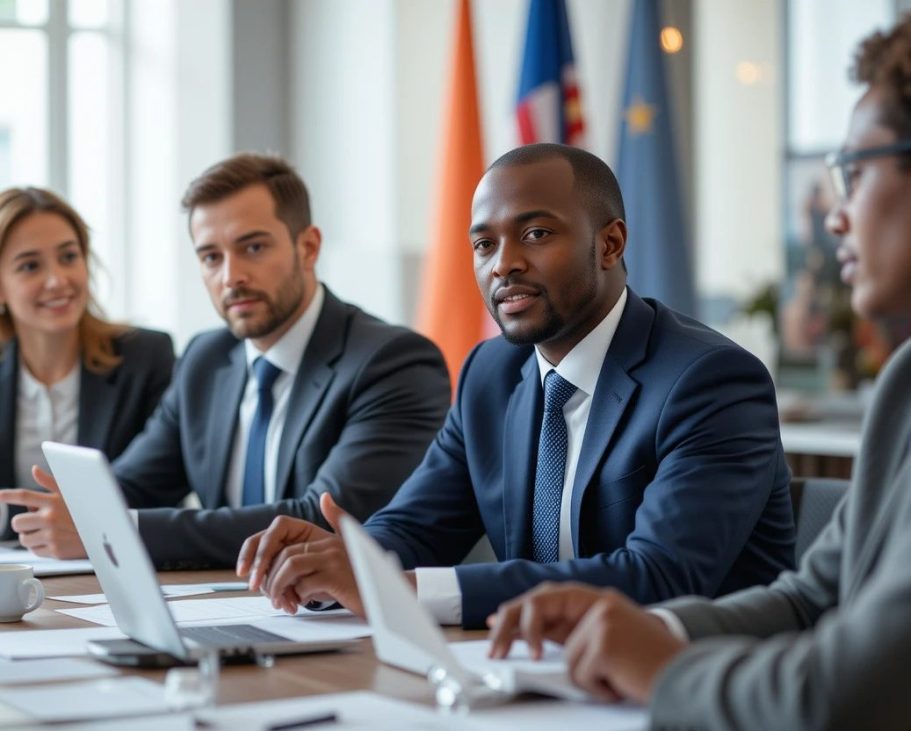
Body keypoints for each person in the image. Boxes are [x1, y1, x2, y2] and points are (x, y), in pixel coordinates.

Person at [486, 15, 911, 730]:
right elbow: (812, 595)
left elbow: (851, 693)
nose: (834, 216)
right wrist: (651, 629)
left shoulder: (708, 375)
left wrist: (662, 668)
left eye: (856, 172)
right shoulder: (903, 383)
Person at [238, 143, 795, 628]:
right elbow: (417, 524)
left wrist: (397, 590)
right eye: (484, 245)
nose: (503, 265)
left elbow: (661, 576)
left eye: (535, 233)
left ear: (610, 244)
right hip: (535, 673)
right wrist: (340, 561)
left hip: (689, 690)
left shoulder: (710, 381)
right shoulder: (492, 372)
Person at [0, 154, 451, 568]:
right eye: (211, 257)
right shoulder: (206, 359)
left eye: (253, 248)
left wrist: (112, 530)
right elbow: (134, 485)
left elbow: (319, 518)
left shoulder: (392, 362)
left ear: (308, 248)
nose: (231, 276)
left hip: (346, 624)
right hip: (226, 607)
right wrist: (77, 508)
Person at [0, 187, 174, 540]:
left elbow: (161, 488)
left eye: (69, 257)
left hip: (111, 571)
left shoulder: (146, 357)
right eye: (30, 266)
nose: (58, 280)